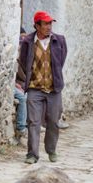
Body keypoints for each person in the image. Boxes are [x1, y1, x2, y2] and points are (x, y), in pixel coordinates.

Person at [19, 10, 68, 164]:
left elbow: (61, 60)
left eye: (50, 23)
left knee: (53, 121)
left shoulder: (59, 40)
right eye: (45, 24)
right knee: (33, 122)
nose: (49, 26)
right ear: (37, 26)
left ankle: (51, 149)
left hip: (54, 89)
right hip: (35, 88)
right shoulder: (28, 41)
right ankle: (32, 154)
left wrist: (55, 75)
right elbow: (23, 61)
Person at [14, 27, 28, 139]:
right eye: (21, 38)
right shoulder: (15, 54)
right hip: (14, 84)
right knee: (23, 97)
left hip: (21, 83)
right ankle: (21, 128)